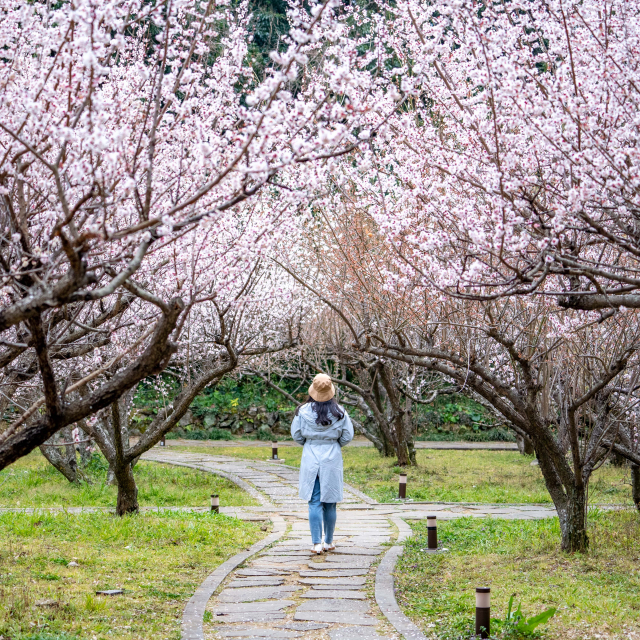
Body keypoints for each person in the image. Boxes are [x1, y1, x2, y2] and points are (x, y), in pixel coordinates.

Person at [291, 373, 354, 554]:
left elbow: (296, 435)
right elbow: (348, 436)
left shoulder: (302, 411)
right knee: (330, 501)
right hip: (332, 456)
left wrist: (310, 443)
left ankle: (316, 543)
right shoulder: (340, 412)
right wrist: (333, 444)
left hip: (311, 455)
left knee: (314, 500)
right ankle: (329, 541)